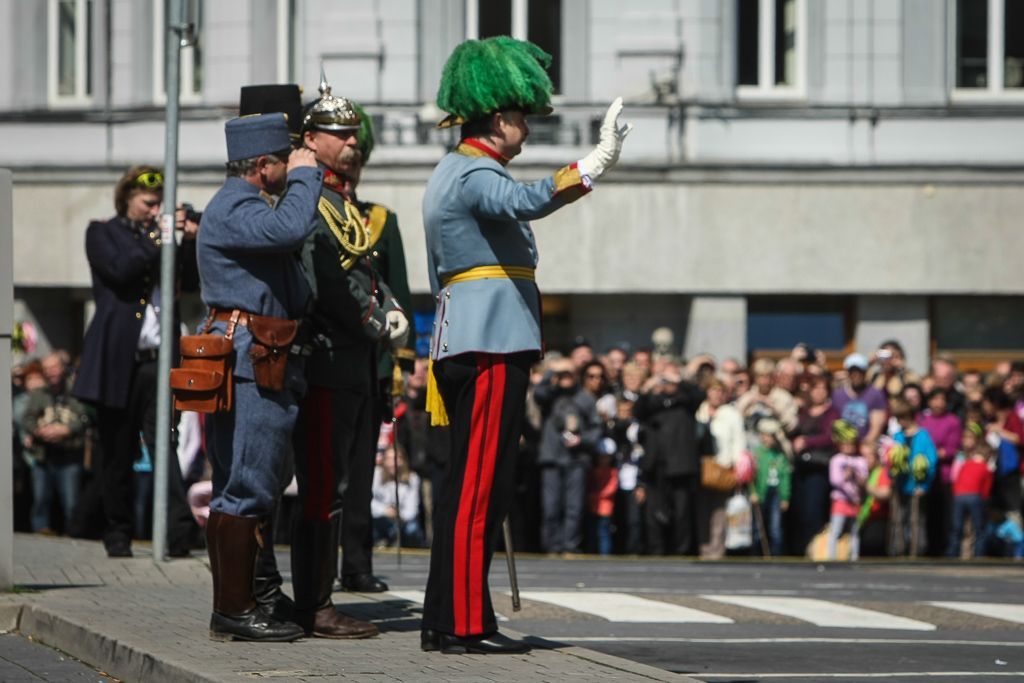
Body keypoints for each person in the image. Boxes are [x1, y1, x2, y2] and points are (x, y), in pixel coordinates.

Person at [420, 36, 630, 654]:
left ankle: (455, 615)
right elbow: (522, 202)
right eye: (520, 116)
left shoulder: (456, 169)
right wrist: (592, 164)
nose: (525, 127)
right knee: (478, 486)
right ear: (498, 117)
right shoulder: (476, 170)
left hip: (475, 337)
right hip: (489, 342)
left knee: (476, 483)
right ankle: (460, 623)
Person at [197, 112, 320, 642]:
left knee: (242, 485)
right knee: (247, 485)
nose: (289, 166)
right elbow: (291, 227)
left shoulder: (241, 205)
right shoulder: (234, 204)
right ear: (264, 165)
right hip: (253, 359)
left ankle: (242, 603)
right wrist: (308, 174)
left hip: (254, 353)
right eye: (283, 160)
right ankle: (234, 610)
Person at [290, 76, 405, 639]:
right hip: (329, 361)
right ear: (311, 140)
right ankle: (315, 604)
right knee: (322, 485)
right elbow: (329, 283)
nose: (352, 141)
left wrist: (388, 305)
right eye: (339, 133)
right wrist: (372, 319)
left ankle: (319, 596)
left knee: (335, 485)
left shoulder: (344, 200)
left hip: (354, 364)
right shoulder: (311, 195)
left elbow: (363, 268)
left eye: (354, 133)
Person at [72, 164, 199, 558]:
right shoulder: (102, 233)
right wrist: (160, 236)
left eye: (159, 204)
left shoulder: (164, 238)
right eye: (148, 203)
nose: (153, 209)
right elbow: (121, 270)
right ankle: (118, 532)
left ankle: (179, 533)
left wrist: (190, 238)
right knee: (118, 450)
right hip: (118, 359)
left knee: (165, 443)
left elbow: (195, 279)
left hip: (160, 360)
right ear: (127, 198)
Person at [634, 363, 705, 556]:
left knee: (682, 512)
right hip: (656, 466)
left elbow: (699, 396)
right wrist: (648, 386)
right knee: (654, 512)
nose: (668, 384)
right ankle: (656, 550)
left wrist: (679, 379)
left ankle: (681, 550)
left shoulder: (685, 401)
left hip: (681, 466)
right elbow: (638, 411)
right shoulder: (654, 403)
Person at [534, 358, 603, 554]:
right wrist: (551, 372)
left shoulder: (585, 398)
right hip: (552, 458)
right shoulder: (550, 395)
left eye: (569, 374)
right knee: (551, 507)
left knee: (574, 507)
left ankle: (570, 546)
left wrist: (582, 440)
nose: (566, 378)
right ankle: (552, 546)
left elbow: (597, 429)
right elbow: (538, 393)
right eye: (562, 375)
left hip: (577, 459)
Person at [19, 352, 92, 534]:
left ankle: (73, 535)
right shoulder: (39, 394)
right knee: (41, 500)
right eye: (46, 369)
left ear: (62, 368)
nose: (50, 372)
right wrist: (38, 430)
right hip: (43, 456)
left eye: (54, 367)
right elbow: (26, 418)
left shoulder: (76, 391)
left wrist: (66, 430)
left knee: (71, 502)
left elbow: (86, 417)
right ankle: (40, 535)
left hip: (69, 455)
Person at [789, 375, 840, 554]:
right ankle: (800, 550)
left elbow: (830, 436)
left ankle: (815, 549)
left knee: (814, 511)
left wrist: (807, 441)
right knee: (799, 511)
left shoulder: (832, 413)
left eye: (823, 388)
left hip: (819, 468)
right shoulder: (803, 412)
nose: (819, 392)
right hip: (801, 468)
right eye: (815, 388)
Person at [695, 377, 745, 559]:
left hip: (722, 467)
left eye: (720, 391)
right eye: (713, 390)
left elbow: (738, 443)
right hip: (701, 467)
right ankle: (703, 546)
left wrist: (737, 468)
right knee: (701, 510)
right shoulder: (699, 410)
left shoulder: (731, 414)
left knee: (719, 511)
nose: (716, 394)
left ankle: (716, 549)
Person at [888, 397, 938, 557]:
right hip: (899, 484)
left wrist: (925, 486)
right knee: (898, 519)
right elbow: (889, 460)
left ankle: (916, 551)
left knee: (915, 520)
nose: (901, 421)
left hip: (916, 485)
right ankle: (898, 550)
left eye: (904, 417)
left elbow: (931, 461)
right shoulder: (897, 436)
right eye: (899, 418)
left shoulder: (923, 435)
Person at [918, 388, 962, 557]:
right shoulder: (922, 420)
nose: (938, 403)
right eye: (935, 399)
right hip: (924, 475)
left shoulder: (952, 421)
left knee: (945, 514)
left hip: (944, 475)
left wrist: (930, 454)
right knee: (927, 514)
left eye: (942, 399)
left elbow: (950, 449)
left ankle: (946, 549)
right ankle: (928, 547)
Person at [947, 423, 993, 558]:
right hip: (974, 496)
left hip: (959, 496)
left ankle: (953, 552)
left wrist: (956, 493)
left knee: (957, 527)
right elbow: (986, 487)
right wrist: (984, 499)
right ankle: (979, 554)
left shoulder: (966, 463)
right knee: (979, 527)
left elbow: (957, 480)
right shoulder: (983, 466)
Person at [748, 418, 791, 557]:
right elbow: (750, 476)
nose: (768, 439)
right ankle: (756, 554)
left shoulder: (780, 455)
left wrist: (785, 497)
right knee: (757, 527)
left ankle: (776, 555)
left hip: (775, 493)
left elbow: (785, 477)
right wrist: (752, 492)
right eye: (765, 435)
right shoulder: (756, 454)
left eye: (771, 436)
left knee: (775, 527)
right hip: (760, 492)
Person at [827, 420, 868, 561]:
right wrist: (846, 476)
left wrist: (857, 477)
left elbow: (864, 479)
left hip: (855, 501)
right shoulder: (836, 460)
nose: (848, 447)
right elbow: (835, 481)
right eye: (844, 444)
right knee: (836, 530)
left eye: (850, 444)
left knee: (854, 532)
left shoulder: (860, 461)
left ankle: (854, 557)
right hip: (841, 500)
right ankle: (831, 557)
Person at [370, 443, 422, 547]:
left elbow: (412, 509)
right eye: (389, 459)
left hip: (402, 520)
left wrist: (398, 515)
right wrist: (385, 511)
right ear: (384, 460)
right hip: (380, 519)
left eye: (396, 458)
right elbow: (369, 502)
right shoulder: (375, 475)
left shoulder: (413, 479)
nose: (392, 463)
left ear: (403, 460)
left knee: (412, 528)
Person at [832, 353, 888, 447]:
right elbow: (834, 423)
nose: (856, 375)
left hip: (866, 447)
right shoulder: (838, 395)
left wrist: (864, 445)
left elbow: (876, 427)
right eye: (852, 371)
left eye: (859, 371)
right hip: (842, 447)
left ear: (865, 372)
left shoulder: (875, 394)